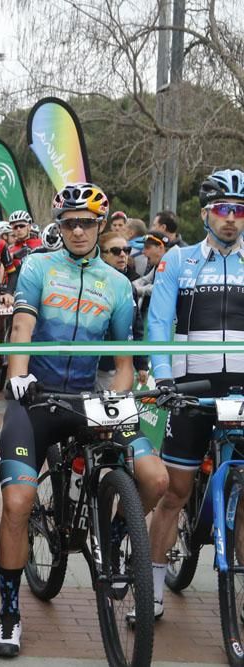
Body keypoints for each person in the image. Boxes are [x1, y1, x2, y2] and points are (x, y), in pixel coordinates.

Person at [0, 183, 164, 656]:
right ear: (60, 225)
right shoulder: (37, 266)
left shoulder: (118, 284)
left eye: (88, 222)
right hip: (39, 398)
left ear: (101, 226)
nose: (79, 230)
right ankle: (9, 615)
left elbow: (124, 360)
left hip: (89, 397)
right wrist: (18, 375)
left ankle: (113, 533)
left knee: (154, 476)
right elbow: (22, 327)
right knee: (18, 502)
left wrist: (122, 396)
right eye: (70, 222)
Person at [145, 169, 244, 622]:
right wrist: (163, 380)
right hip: (189, 391)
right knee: (174, 492)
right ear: (206, 213)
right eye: (223, 209)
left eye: (239, 211)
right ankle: (153, 583)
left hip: (239, 391)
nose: (231, 219)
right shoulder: (179, 261)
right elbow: (158, 324)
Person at [97, 231, 149, 389]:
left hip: (119, 368)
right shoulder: (88, 282)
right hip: (92, 366)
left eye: (126, 250)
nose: (122, 255)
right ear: (102, 255)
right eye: (115, 251)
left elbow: (136, 327)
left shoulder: (128, 286)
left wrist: (141, 364)